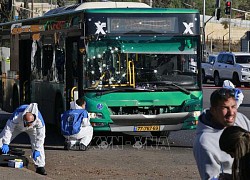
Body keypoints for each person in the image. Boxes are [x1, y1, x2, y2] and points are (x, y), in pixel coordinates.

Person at [193, 88, 250, 180]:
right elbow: (211, 177)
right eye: (225, 108)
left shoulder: (240, 119)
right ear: (213, 110)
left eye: (233, 106)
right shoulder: (204, 143)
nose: (231, 113)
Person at [0, 103, 47, 175]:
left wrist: (37, 149)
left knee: (38, 145)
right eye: (26, 122)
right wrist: (5, 143)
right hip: (17, 126)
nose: (26, 125)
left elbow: (41, 136)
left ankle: (40, 166)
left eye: (28, 123)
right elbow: (9, 128)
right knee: (2, 138)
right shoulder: (17, 114)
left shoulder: (39, 120)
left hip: (33, 129)